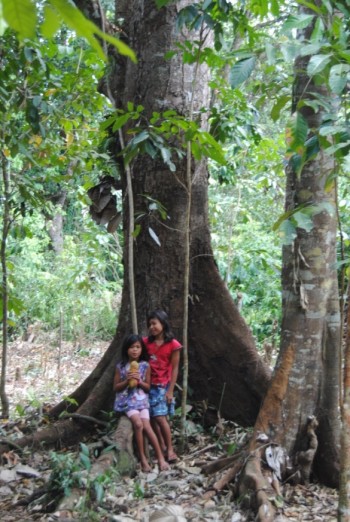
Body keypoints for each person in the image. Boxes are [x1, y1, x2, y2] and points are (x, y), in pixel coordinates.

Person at [113, 334, 170, 472]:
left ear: (141, 350)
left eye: (138, 347)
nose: (135, 350)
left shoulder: (145, 366)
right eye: (132, 347)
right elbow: (115, 387)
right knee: (138, 424)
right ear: (126, 349)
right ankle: (143, 459)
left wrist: (139, 381)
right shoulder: (120, 366)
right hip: (127, 401)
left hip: (141, 400)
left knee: (147, 427)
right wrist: (127, 381)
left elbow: (148, 387)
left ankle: (161, 458)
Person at [143, 310, 182, 463]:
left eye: (155, 323)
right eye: (150, 324)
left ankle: (170, 448)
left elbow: (175, 368)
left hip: (161, 386)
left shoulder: (173, 345)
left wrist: (171, 390)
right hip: (146, 385)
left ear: (163, 323)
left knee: (160, 417)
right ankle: (162, 445)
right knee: (152, 418)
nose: (152, 327)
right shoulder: (145, 343)